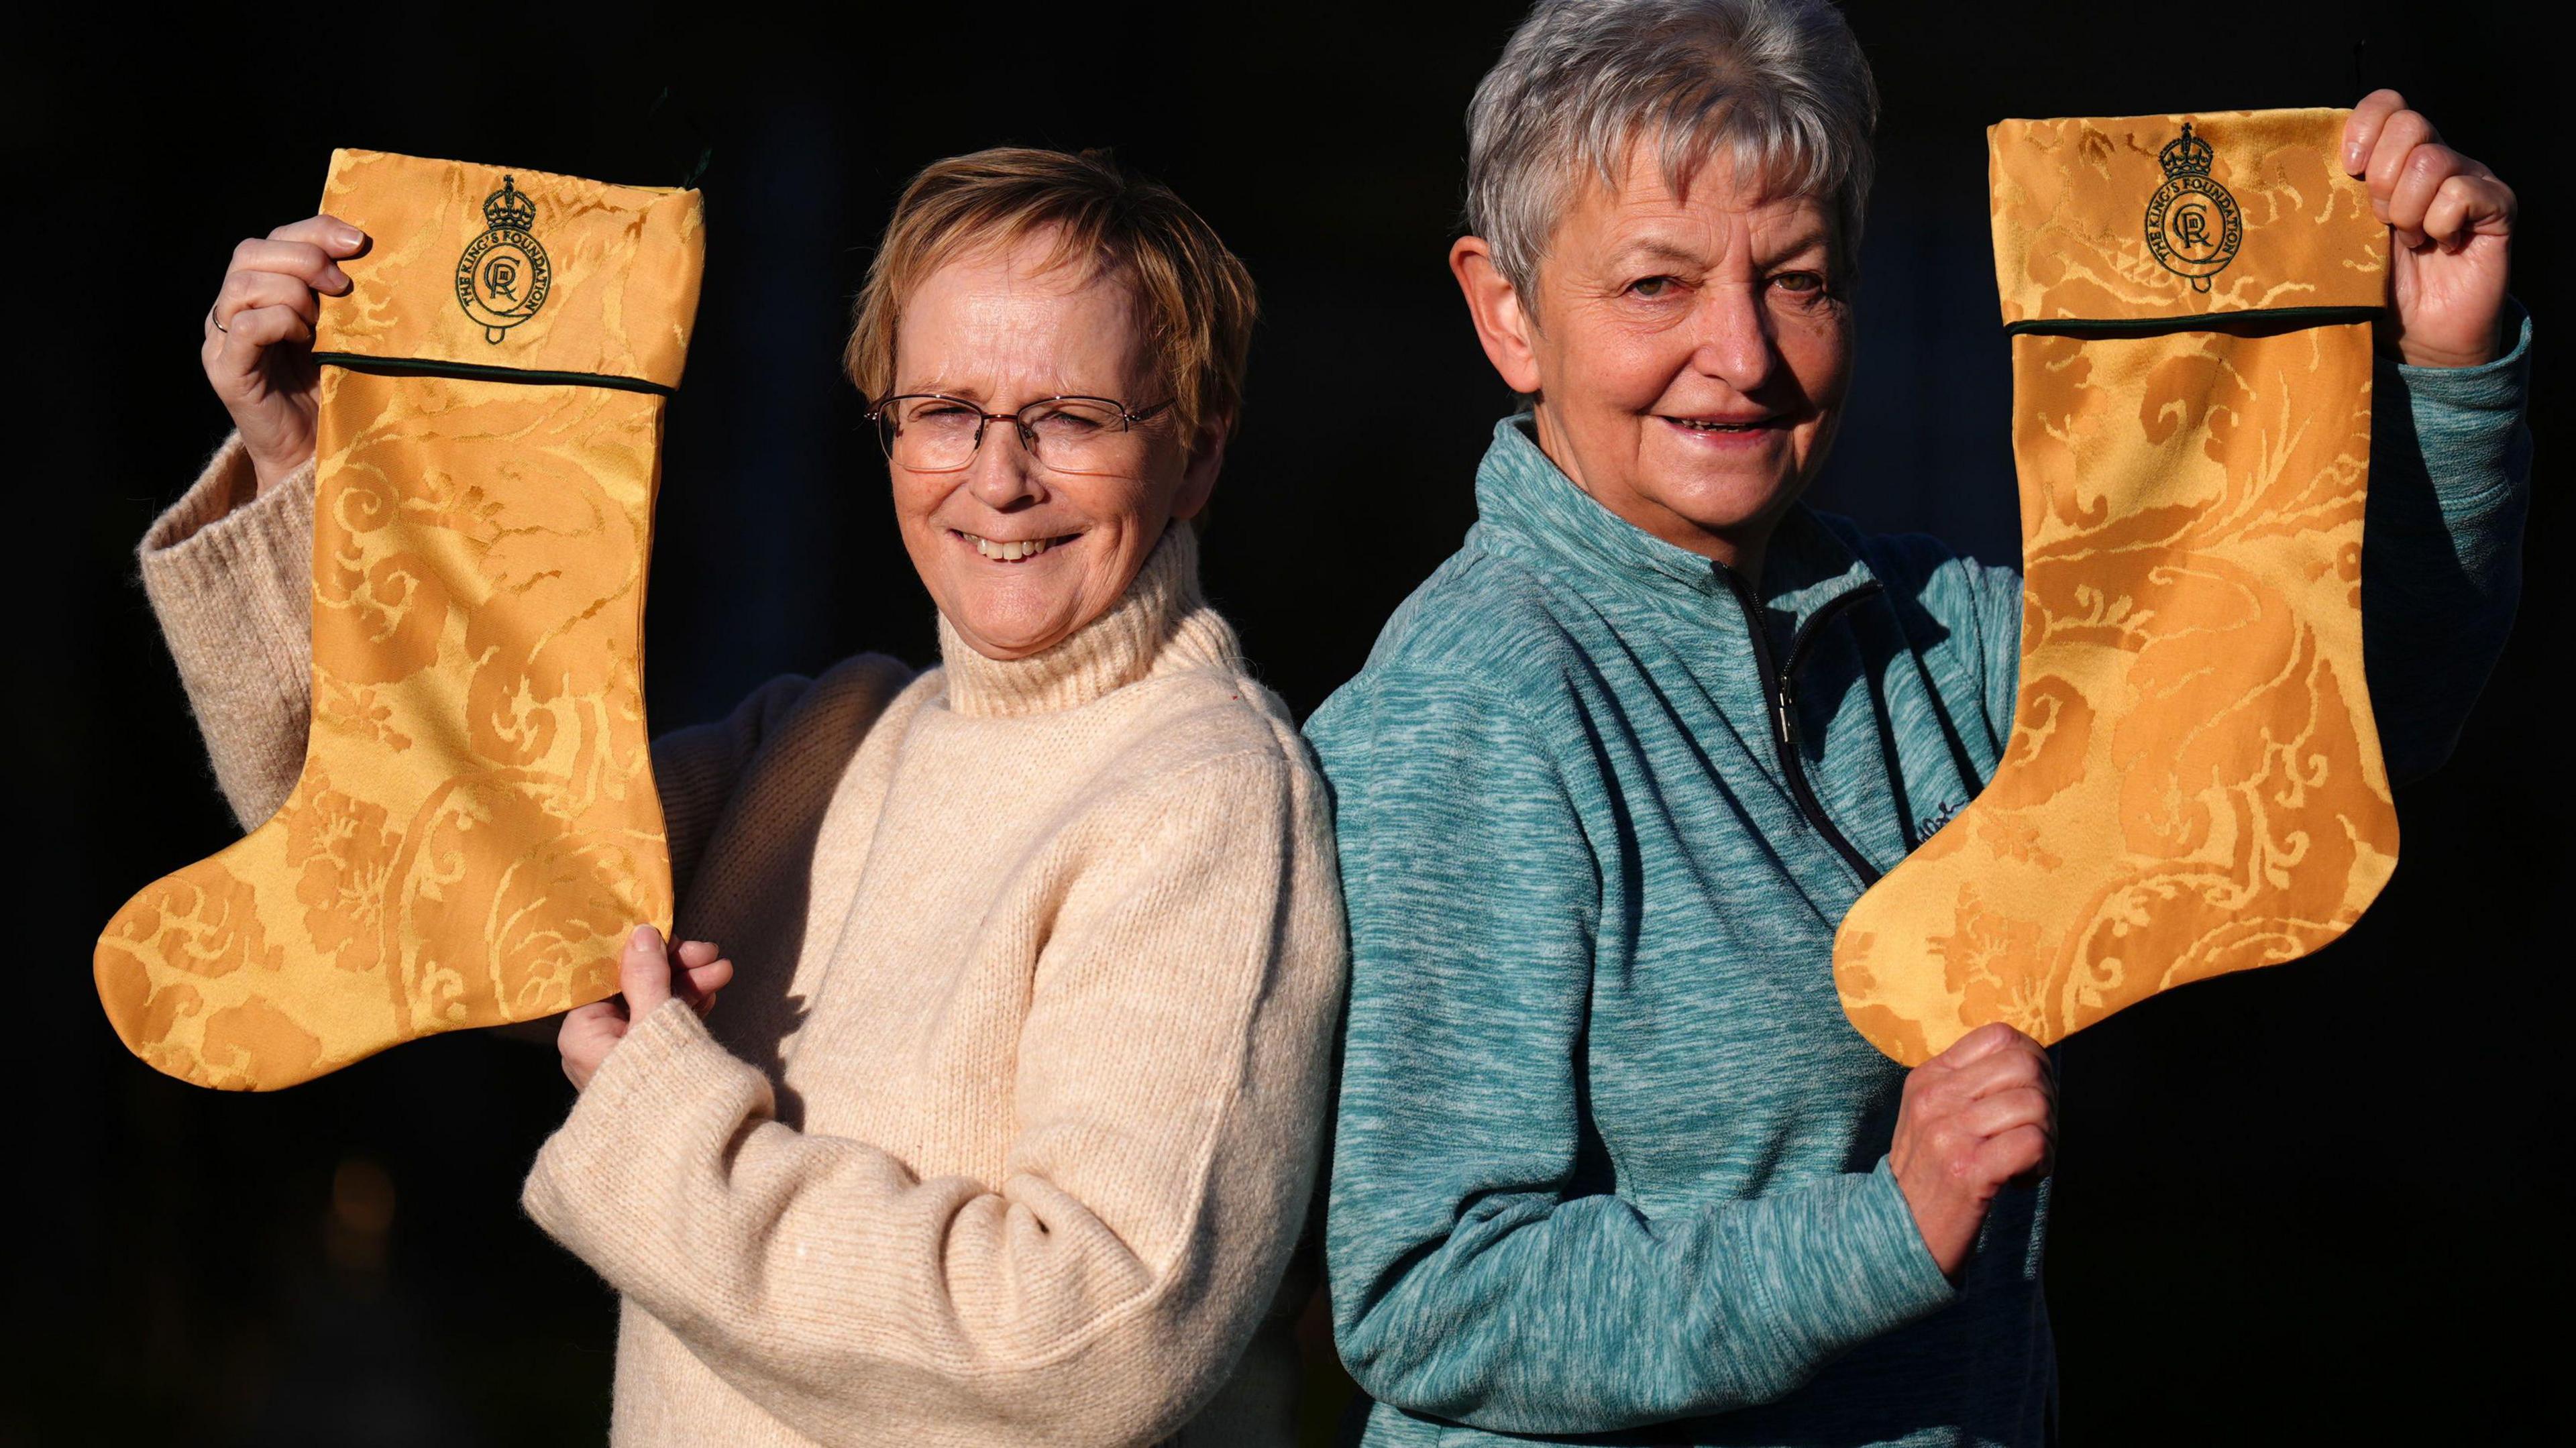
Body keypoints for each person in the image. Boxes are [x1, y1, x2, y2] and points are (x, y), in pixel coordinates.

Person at [1304, 2, 2530, 1445]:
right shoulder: (1468, 709)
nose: (1741, 353)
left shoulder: (1932, 632)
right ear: (1505, 310)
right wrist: (1883, 1230)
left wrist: (2450, 370)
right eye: (1654, 285)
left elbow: (2321, 746)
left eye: (1800, 281)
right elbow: (1429, 1296)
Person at [144, 147, 1346, 1447]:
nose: (998, 477)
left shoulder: (1208, 802)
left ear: (1199, 454)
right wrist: (311, 475)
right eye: (942, 409)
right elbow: (395, 877)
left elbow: (1092, 1345)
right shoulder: (821, 741)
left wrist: (661, 1121)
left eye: (1072, 416)